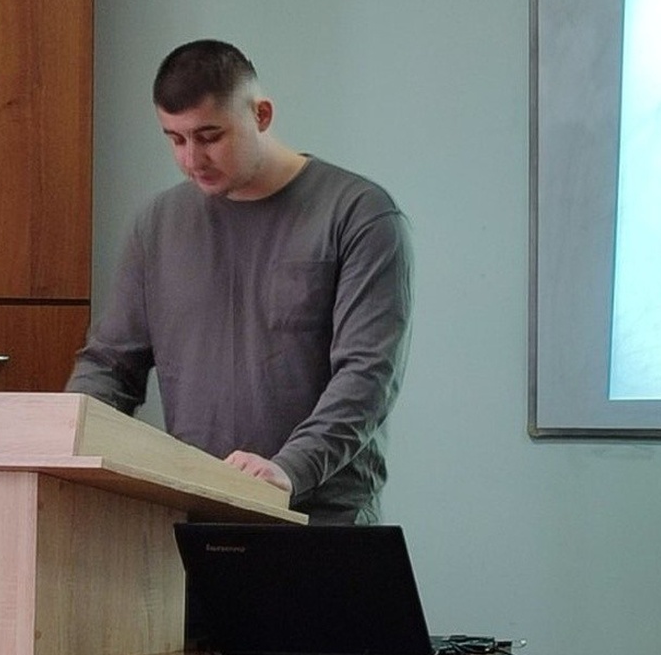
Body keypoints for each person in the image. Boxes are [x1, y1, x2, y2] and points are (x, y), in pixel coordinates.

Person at [68, 39, 412, 524]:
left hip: (322, 519)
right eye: (176, 139)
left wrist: (289, 468)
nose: (192, 159)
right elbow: (110, 364)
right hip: (196, 514)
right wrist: (65, 437)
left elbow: (367, 375)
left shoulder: (360, 215)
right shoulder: (158, 225)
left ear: (261, 115)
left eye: (209, 136)